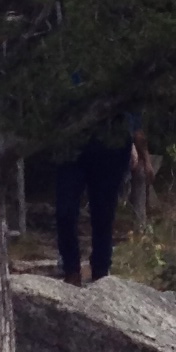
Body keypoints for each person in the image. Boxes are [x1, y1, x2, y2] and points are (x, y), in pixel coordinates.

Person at [55, 114, 145, 285]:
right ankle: (71, 270)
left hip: (111, 142)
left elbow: (130, 98)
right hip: (71, 140)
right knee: (64, 211)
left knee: (104, 212)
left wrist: (134, 137)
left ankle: (101, 272)